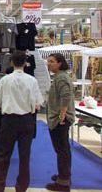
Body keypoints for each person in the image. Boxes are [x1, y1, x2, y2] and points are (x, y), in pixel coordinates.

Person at [0, 51, 44, 192]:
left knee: (3, 154)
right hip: (27, 121)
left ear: (12, 62)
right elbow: (39, 104)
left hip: (9, 120)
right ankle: (22, 187)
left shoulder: (5, 80)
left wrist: (9, 104)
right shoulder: (32, 80)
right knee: (24, 155)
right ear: (26, 63)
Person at [45, 53, 75, 192]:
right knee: (62, 150)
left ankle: (63, 183)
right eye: (48, 61)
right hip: (59, 117)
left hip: (60, 119)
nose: (48, 64)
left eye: (51, 61)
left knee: (62, 150)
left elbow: (66, 96)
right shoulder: (59, 76)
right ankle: (64, 176)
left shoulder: (61, 77)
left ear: (60, 63)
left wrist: (62, 115)